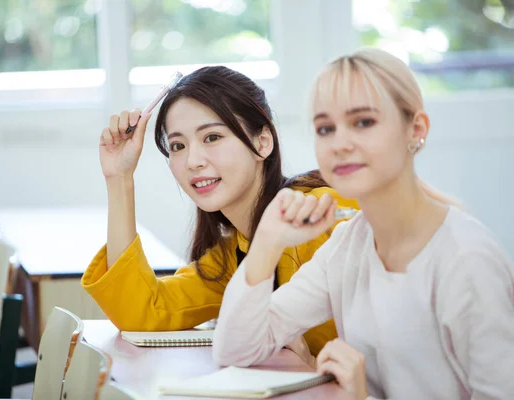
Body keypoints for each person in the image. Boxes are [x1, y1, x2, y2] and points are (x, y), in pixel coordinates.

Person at [212, 48, 514, 399]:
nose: (340, 144)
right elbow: (236, 349)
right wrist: (266, 241)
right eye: (325, 128)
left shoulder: (465, 259)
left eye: (363, 122)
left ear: (415, 129)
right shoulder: (348, 242)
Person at [81, 66, 359, 360]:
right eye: (177, 146)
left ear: (262, 143)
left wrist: (312, 365)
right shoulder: (232, 259)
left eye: (212, 137)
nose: (193, 161)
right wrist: (119, 178)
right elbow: (142, 313)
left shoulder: (324, 212)